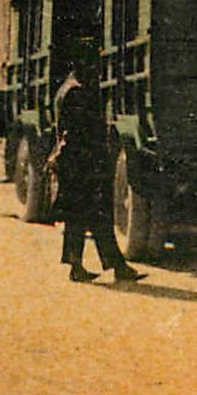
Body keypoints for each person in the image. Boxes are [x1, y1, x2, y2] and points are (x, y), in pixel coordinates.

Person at [50, 41, 145, 285]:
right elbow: (77, 131)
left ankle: (93, 266)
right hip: (82, 163)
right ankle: (105, 266)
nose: (96, 69)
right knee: (93, 215)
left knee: (82, 217)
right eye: (92, 63)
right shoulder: (76, 91)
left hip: (75, 163)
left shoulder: (64, 89)